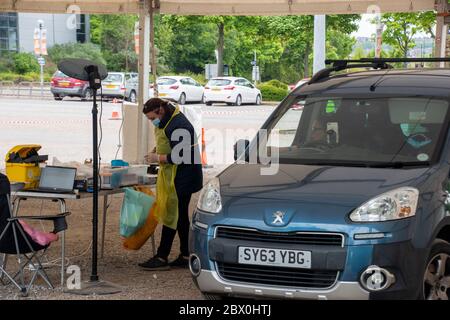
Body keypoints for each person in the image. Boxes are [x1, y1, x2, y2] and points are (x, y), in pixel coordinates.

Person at [139, 98, 203, 270]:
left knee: (171, 213)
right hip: (177, 176)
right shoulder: (167, 117)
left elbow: (180, 156)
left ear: (160, 110)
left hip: (185, 176)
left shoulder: (179, 124)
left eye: (153, 118)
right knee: (180, 216)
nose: (153, 122)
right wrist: (158, 150)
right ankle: (186, 254)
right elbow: (168, 141)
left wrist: (157, 158)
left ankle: (162, 256)